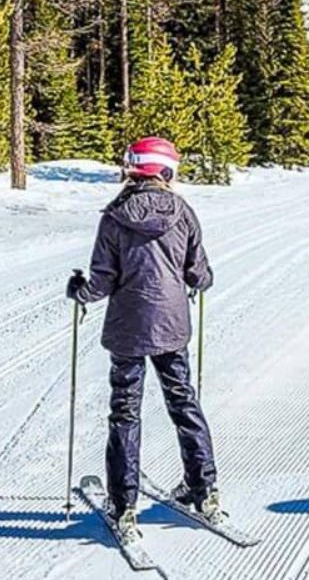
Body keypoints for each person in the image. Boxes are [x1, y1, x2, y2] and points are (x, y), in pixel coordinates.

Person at [67, 137, 222, 543]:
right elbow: (197, 273)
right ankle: (204, 489)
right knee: (183, 402)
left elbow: (101, 281)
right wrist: (202, 278)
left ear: (133, 170)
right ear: (166, 171)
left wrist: (79, 291)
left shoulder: (115, 216)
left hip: (128, 329)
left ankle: (124, 505)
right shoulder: (184, 213)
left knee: (125, 412)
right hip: (171, 326)